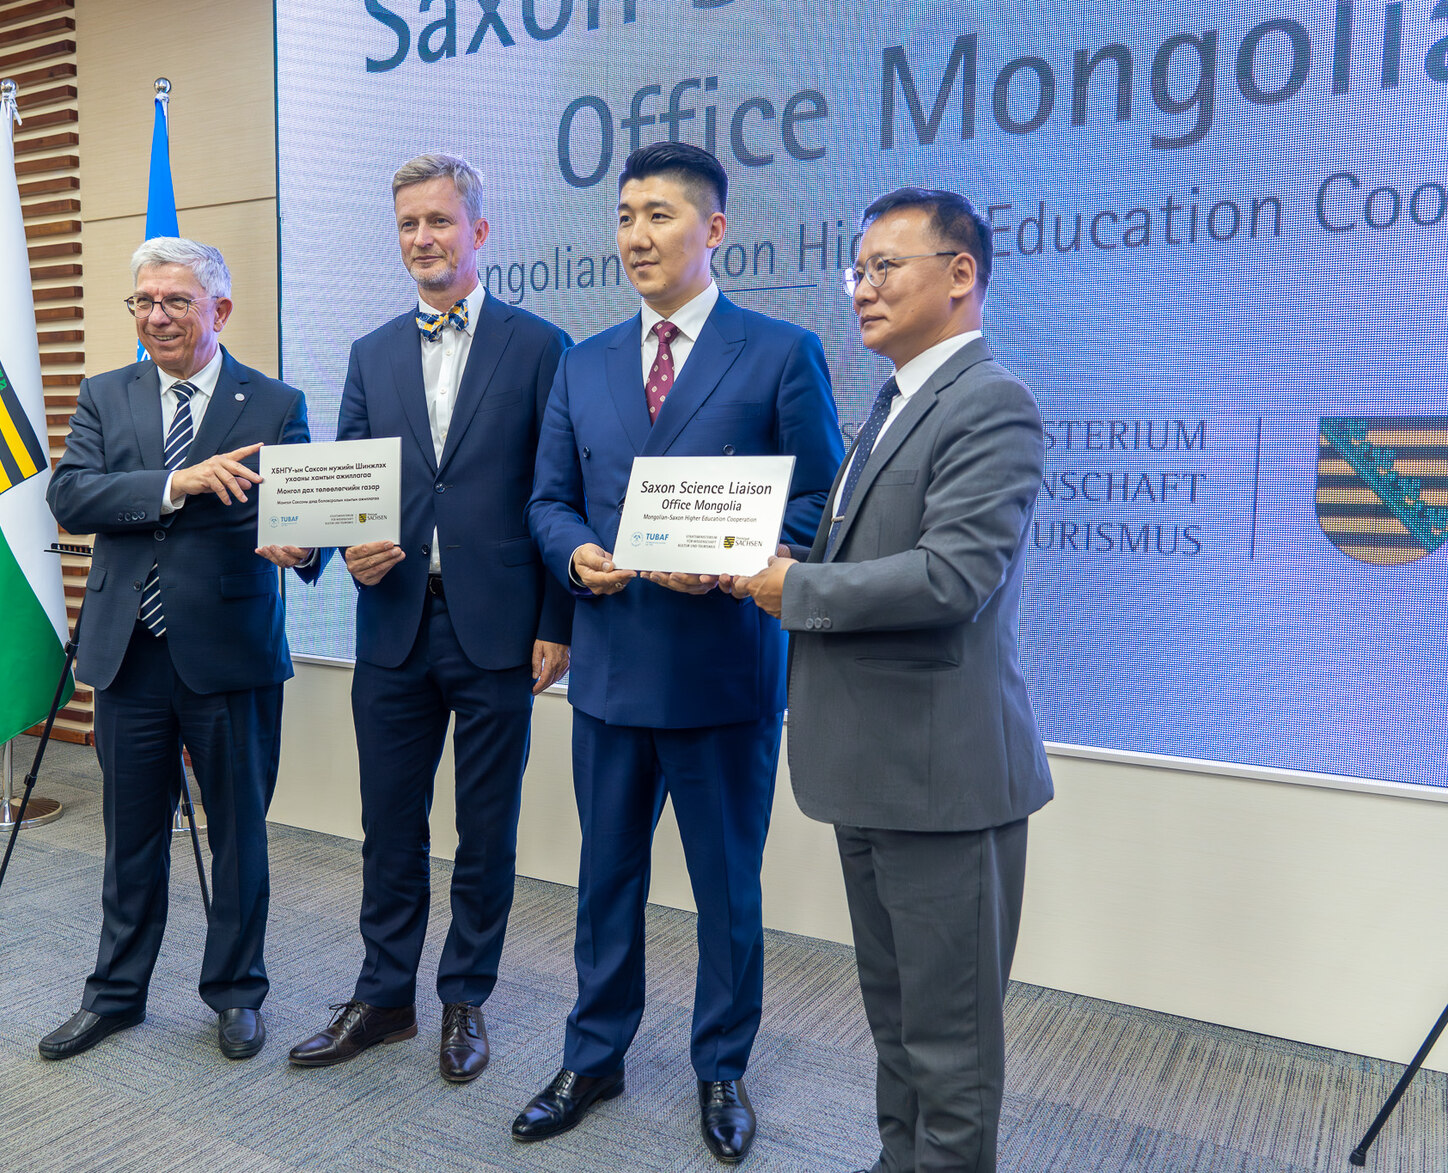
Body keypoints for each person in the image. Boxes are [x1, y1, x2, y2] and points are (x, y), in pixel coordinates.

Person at [519, 142, 842, 1164]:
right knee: (604, 879)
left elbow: (821, 497)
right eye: (622, 216)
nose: (635, 236)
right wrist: (574, 554)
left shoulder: (780, 351)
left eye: (658, 215)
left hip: (720, 673)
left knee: (724, 892)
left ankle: (720, 1069)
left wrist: (745, 554)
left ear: (713, 230)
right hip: (611, 668)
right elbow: (546, 500)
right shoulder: (584, 361)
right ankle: (594, 1054)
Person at [731, 188, 1054, 1173]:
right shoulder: (890, 399)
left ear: (960, 275)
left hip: (940, 784)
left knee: (948, 1051)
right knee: (896, 1027)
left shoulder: (989, 402)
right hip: (872, 771)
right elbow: (853, 552)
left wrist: (794, 588)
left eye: (884, 267)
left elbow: (952, 576)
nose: (860, 289)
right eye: (856, 270)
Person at [285, 154, 572, 1083]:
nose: (423, 239)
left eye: (440, 222)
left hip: (498, 627)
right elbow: (351, 481)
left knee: (486, 828)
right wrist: (327, 548)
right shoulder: (371, 352)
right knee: (389, 824)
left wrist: (557, 617)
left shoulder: (539, 345)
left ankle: (465, 1000)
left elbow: (559, 491)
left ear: (478, 232)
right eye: (409, 224)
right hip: (395, 623)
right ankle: (384, 996)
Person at [39, 237, 324, 1063]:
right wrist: (178, 482)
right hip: (127, 652)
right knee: (130, 837)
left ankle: (236, 993)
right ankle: (116, 995)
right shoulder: (106, 394)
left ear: (220, 311)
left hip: (230, 653)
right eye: (143, 302)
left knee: (239, 835)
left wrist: (304, 550)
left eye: (175, 302)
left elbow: (308, 520)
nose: (156, 316)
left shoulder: (274, 402)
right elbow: (72, 494)